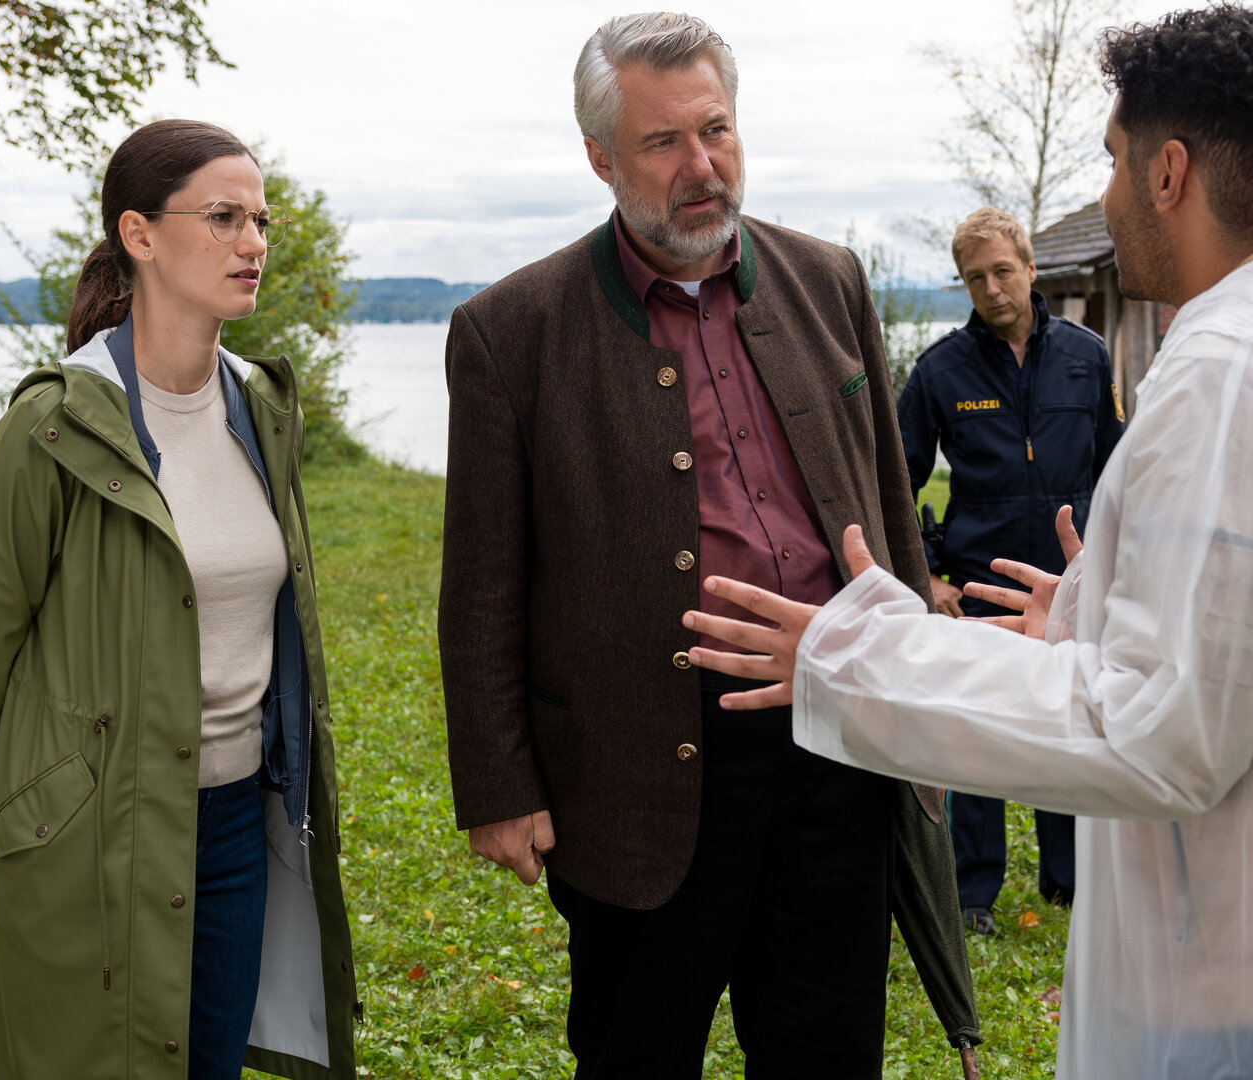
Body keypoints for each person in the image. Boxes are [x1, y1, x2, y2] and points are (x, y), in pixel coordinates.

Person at [685, 7, 1253, 1078]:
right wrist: (1090, 617)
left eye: (1111, 161)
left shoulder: (1237, 381)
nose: (1109, 195)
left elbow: (1156, 732)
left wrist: (849, 655)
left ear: (1168, 171)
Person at [439, 13, 979, 1079]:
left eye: (716, 131)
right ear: (600, 157)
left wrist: (916, 681)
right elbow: (482, 585)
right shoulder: (512, 331)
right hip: (637, 772)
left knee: (825, 1052)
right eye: (661, 143)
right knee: (636, 1053)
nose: (701, 166)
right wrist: (497, 782)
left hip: (832, 741)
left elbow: (885, 499)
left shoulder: (829, 279)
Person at [0, 120, 358, 1080]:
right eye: (222, 218)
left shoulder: (262, 409)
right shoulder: (52, 423)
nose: (253, 243)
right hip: (95, 827)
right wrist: (43, 799)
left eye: (259, 220)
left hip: (240, 821)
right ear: (138, 234)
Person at [899, 206, 1124, 928]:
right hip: (980, 583)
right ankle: (972, 892)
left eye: (1002, 271)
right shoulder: (938, 370)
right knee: (980, 731)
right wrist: (927, 576)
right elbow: (894, 480)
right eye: (974, 277)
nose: (991, 288)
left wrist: (1114, 566)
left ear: (1030, 269)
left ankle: (1067, 879)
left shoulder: (1087, 356)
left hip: (1069, 582)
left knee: (1068, 720)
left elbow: (1117, 469)